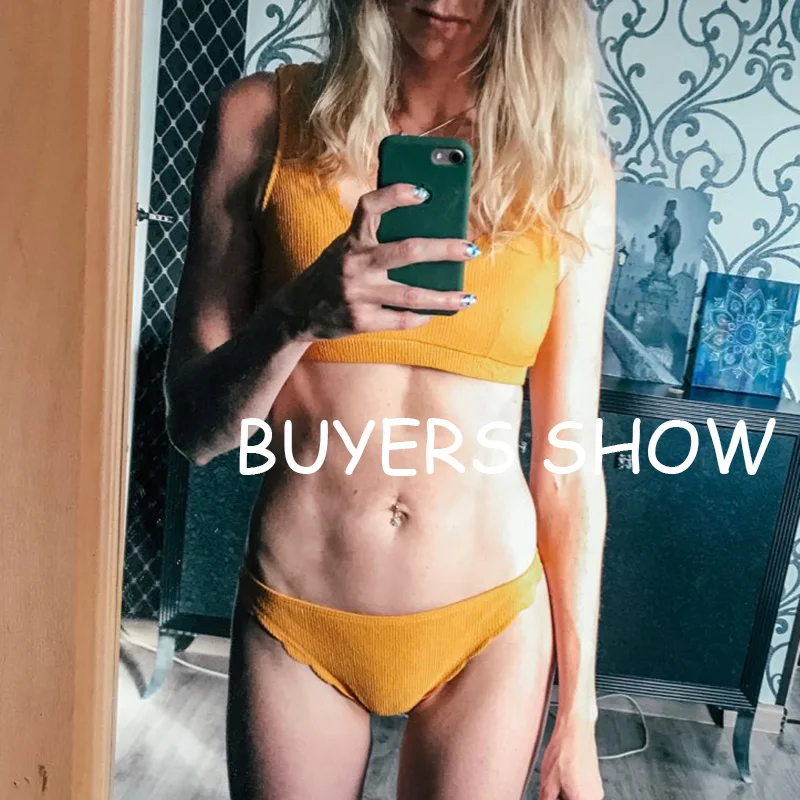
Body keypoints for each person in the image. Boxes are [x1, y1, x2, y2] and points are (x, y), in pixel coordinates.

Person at [164, 1, 615, 798]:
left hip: (490, 626)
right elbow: (195, 430)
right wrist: (297, 316)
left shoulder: (567, 168)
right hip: (299, 615)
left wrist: (578, 713)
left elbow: (569, 465)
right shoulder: (259, 120)